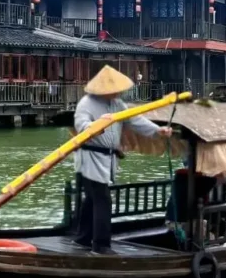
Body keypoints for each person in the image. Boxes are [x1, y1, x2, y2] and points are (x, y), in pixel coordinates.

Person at [73, 65, 172, 255]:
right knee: (103, 199)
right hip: (90, 157)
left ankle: (83, 238)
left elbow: (135, 120)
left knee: (93, 198)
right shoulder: (86, 104)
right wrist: (97, 124)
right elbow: (82, 125)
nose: (118, 93)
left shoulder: (117, 104)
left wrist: (156, 131)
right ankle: (101, 245)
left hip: (107, 157)